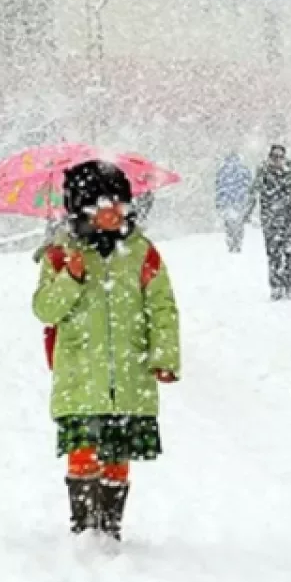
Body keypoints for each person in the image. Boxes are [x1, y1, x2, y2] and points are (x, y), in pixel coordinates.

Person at [33, 161, 181, 541]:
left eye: (120, 204)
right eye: (104, 204)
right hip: (81, 376)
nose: (115, 212)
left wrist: (164, 356)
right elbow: (45, 309)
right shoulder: (61, 256)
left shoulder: (141, 253)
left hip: (130, 376)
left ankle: (110, 526)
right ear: (82, 208)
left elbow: (162, 307)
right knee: (83, 450)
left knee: (117, 454)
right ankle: (84, 527)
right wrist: (71, 277)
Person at [252, 144, 291, 300]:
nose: (277, 161)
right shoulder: (263, 171)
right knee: (273, 252)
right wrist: (248, 212)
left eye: (280, 157)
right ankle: (275, 285)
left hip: (289, 217)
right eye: (274, 157)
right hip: (270, 218)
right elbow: (253, 191)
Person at [215, 152, 253, 253]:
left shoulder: (222, 171)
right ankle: (238, 242)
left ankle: (231, 241)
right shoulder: (244, 170)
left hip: (227, 202)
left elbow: (219, 188)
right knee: (239, 224)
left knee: (229, 224)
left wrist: (219, 202)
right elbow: (248, 186)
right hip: (240, 202)